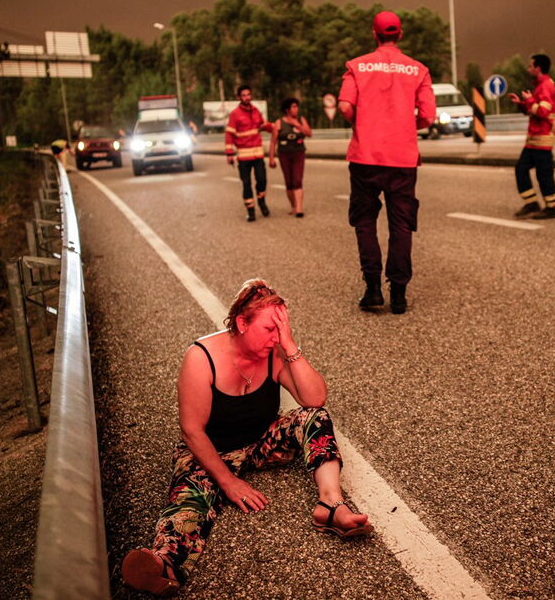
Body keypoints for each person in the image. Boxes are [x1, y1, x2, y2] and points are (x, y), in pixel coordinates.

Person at [122, 279, 373, 597]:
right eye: (270, 328)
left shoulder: (275, 352)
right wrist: (228, 482)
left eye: (281, 328)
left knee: (315, 419)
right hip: (211, 451)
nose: (276, 337)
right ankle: (162, 564)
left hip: (259, 444)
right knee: (192, 501)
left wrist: (290, 344)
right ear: (242, 323)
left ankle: (330, 504)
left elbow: (314, 399)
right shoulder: (201, 358)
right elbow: (192, 431)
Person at [337, 10, 436, 314]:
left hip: (365, 157)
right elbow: (429, 116)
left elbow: (344, 107)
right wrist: (406, 126)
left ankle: (372, 289)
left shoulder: (357, 66)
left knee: (365, 221)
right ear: (400, 35)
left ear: (374, 34)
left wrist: (364, 123)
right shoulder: (418, 70)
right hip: (402, 159)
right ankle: (399, 295)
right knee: (401, 225)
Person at [508, 53, 555, 220]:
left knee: (543, 174)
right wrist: (522, 104)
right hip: (534, 140)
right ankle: (532, 203)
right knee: (521, 169)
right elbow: (534, 110)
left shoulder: (546, 85)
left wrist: (530, 100)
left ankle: (553, 207)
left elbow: (543, 111)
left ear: (538, 68)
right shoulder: (539, 85)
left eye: (531, 66)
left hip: (543, 139)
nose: (528, 69)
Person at [226, 86, 274, 222]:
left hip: (258, 154)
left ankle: (261, 201)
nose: (247, 97)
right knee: (246, 184)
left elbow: (263, 125)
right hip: (244, 156)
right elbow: (229, 134)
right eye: (244, 95)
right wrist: (229, 153)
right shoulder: (235, 114)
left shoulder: (256, 111)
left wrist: (272, 127)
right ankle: (251, 211)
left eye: (248, 94)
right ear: (239, 97)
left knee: (262, 180)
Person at [268, 97, 313, 217]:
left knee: (297, 180)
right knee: (289, 182)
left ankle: (299, 208)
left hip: (298, 153)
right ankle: (293, 206)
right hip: (284, 154)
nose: (296, 109)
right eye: (294, 107)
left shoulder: (301, 120)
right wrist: (271, 158)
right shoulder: (279, 122)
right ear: (287, 110)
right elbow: (273, 142)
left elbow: (309, 133)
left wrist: (298, 125)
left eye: (297, 106)